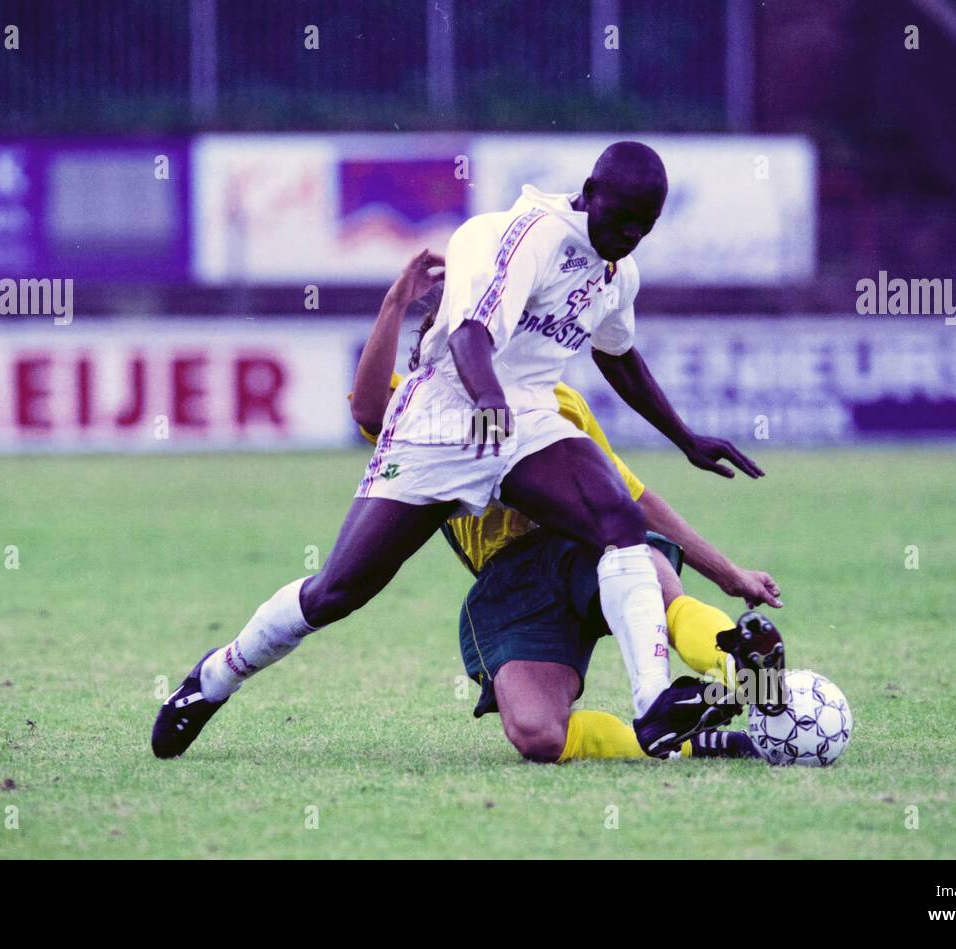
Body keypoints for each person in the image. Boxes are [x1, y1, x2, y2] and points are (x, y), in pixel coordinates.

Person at [153, 142, 764, 759]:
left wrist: (686, 438)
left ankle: (654, 707)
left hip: (523, 414)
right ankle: (214, 679)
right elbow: (471, 336)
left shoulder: (616, 273)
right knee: (338, 592)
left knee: (619, 521)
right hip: (444, 417)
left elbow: (617, 353)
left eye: (645, 226)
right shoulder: (529, 238)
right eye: (621, 218)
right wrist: (488, 404)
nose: (629, 235)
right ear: (589, 191)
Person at [349, 253, 784, 763]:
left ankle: (748, 672)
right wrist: (395, 301)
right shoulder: (414, 409)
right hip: (510, 584)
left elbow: (633, 499)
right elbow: (368, 408)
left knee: (649, 573)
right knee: (538, 737)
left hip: (577, 549)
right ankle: (684, 741)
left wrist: (727, 572)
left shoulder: (558, 404)